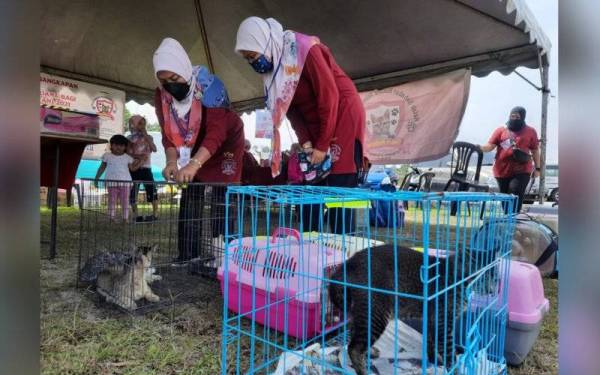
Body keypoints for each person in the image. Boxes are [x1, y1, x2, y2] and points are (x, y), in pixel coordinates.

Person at [235, 17, 367, 233]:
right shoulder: (274, 71)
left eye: (253, 56)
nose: (253, 63)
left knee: (338, 187)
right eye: (248, 59)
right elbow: (291, 110)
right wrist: (305, 142)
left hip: (341, 113)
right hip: (315, 121)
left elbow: (329, 96)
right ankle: (311, 249)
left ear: (265, 45)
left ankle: (343, 251)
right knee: (310, 184)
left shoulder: (306, 49)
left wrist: (323, 145)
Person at [152, 37, 244, 265]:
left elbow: (216, 134)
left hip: (225, 144)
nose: (170, 86)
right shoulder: (162, 96)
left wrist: (194, 163)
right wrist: (172, 162)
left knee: (223, 196)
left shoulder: (210, 87)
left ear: (184, 69)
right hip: (192, 146)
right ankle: (189, 254)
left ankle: (224, 256)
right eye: (164, 81)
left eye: (175, 78)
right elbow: (167, 133)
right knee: (191, 192)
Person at [479, 106, 541, 213]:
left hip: (522, 170)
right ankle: (508, 220)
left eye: (517, 116)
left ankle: (514, 219)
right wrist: (479, 148)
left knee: (515, 192)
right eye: (512, 116)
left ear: (523, 117)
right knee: (504, 197)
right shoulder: (501, 130)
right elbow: (490, 146)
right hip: (501, 170)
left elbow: (535, 150)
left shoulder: (530, 131)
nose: (514, 118)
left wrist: (538, 168)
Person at [94, 135, 145, 222]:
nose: (118, 147)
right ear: (111, 145)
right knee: (111, 201)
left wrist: (141, 161)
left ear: (125, 147)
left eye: (121, 145)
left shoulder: (127, 157)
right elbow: (102, 167)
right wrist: (96, 178)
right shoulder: (107, 155)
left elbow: (132, 168)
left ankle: (125, 219)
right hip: (111, 183)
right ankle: (111, 218)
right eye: (116, 145)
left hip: (125, 184)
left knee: (125, 202)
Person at [127, 115, 159, 222]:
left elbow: (154, 149)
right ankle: (136, 215)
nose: (142, 126)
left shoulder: (149, 137)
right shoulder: (129, 138)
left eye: (144, 123)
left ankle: (155, 214)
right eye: (140, 123)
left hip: (146, 168)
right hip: (134, 168)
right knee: (132, 191)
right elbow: (127, 153)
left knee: (152, 189)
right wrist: (138, 157)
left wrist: (145, 135)